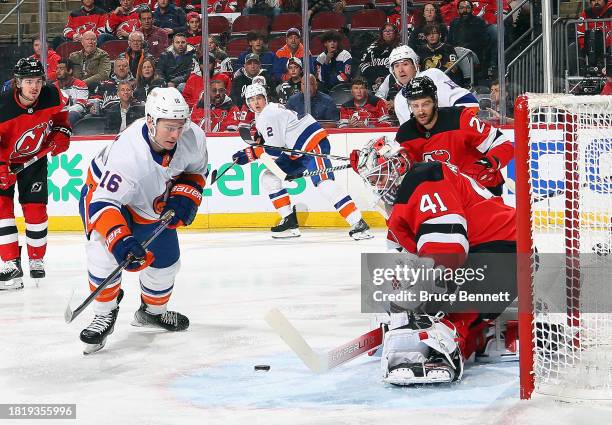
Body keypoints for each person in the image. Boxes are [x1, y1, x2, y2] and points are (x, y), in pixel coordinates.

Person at [349, 135, 516, 385]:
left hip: (505, 255)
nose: (378, 184)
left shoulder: (425, 177)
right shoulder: (408, 194)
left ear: (399, 165)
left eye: (381, 175)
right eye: (373, 179)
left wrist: (420, 297)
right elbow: (404, 256)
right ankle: (482, 335)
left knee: (437, 306)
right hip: (495, 255)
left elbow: (448, 248)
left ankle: (450, 339)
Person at [78, 87, 207, 354]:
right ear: (150, 121)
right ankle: (104, 312)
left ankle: (152, 313)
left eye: (179, 126)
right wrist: (121, 240)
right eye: (168, 127)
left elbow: (197, 172)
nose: (175, 134)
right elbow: (103, 204)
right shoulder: (129, 153)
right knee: (104, 253)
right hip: (107, 197)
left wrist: (187, 194)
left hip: (150, 197)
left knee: (166, 263)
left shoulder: (192, 137)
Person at [231, 83, 372, 240]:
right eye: (251, 100)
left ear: (265, 98)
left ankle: (358, 222)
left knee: (324, 183)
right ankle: (290, 221)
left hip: (312, 145)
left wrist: (250, 153)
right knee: (270, 177)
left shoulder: (269, 114)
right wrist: (259, 145)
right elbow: (276, 144)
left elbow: (274, 149)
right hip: (296, 150)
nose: (256, 103)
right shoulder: (264, 114)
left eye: (259, 98)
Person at [0, 58, 71, 290]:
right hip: (5, 162)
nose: (34, 86)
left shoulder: (51, 95)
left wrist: (61, 133)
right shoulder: (3, 107)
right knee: (2, 211)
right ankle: (10, 264)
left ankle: (36, 258)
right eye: (28, 81)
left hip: (34, 161)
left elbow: (62, 117)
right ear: (18, 83)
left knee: (36, 209)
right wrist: (1, 168)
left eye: (38, 81)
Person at [395, 76, 513, 196]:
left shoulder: (460, 118)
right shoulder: (405, 134)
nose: (421, 111)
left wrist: (486, 164)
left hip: (481, 189)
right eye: (415, 106)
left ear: (435, 101)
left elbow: (503, 144)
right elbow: (401, 169)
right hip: (445, 196)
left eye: (425, 104)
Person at [388, 44, 478, 125]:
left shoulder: (431, 76)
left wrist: (447, 130)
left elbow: (470, 102)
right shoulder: (399, 100)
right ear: (393, 72)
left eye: (405, 64)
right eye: (396, 66)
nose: (401, 70)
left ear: (415, 66)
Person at [447, 0, 490, 79]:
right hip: (456, 53)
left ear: (472, 9)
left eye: (467, 8)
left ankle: (468, 80)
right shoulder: (454, 22)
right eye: (461, 8)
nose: (464, 11)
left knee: (460, 53)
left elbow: (483, 41)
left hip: (473, 53)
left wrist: (464, 48)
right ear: (458, 10)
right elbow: (449, 40)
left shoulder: (479, 21)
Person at [358, 23, 400, 91]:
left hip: (394, 82)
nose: (388, 33)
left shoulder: (400, 48)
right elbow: (363, 64)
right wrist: (375, 77)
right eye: (385, 31)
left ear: (395, 33)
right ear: (382, 34)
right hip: (374, 82)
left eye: (390, 30)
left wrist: (388, 79)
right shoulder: (372, 47)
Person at [54, 60, 89, 126]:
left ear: (70, 71)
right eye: (57, 69)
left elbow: (81, 105)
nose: (57, 71)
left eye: (61, 69)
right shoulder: (53, 87)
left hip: (75, 114)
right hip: (57, 114)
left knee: (71, 115)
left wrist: (63, 111)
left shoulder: (80, 84)